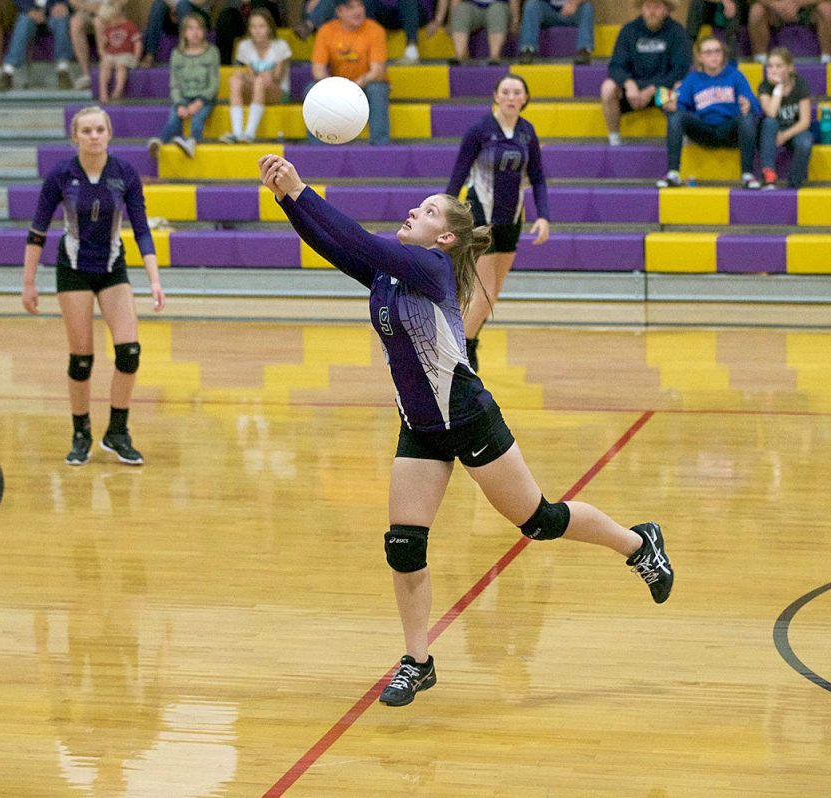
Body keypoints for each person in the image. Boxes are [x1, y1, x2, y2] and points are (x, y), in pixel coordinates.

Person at [258, 152, 674, 708]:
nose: (413, 210)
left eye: (427, 211)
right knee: (404, 545)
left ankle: (637, 542)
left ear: (445, 239)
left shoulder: (428, 271)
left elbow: (357, 238)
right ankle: (417, 661)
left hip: (469, 416)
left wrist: (303, 188)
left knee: (540, 521)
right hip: (420, 425)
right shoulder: (387, 272)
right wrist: (288, 198)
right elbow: (338, 246)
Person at [23, 106, 165, 465]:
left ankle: (117, 432)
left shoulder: (125, 174)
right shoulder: (61, 175)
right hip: (73, 269)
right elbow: (37, 232)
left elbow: (143, 230)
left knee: (129, 352)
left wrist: (154, 279)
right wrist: (28, 285)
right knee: (82, 359)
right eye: (86, 130)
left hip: (111, 267)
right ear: (75, 137)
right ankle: (81, 431)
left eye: (99, 129)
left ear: (109, 133)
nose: (94, 136)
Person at [445, 74, 549, 372]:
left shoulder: (527, 132)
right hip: (481, 219)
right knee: (485, 292)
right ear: (496, 96)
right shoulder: (479, 131)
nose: (511, 96)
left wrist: (543, 216)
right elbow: (458, 176)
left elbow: (539, 178)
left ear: (525, 98)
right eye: (505, 91)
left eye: (517, 91)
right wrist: (445, 216)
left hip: (511, 220)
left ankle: (470, 342)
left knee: (493, 294)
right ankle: (458, 352)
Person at [657, 36, 760, 188]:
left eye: (717, 51)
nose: (714, 56)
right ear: (700, 57)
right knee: (676, 117)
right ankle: (673, 174)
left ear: (723, 55)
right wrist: (667, 103)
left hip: (729, 130)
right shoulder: (693, 79)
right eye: (708, 52)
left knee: (747, 118)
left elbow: (755, 106)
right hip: (703, 130)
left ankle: (748, 175)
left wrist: (748, 105)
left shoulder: (735, 76)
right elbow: (663, 97)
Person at [601, 0, 691, 147]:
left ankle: (680, 139)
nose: (652, 11)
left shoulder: (677, 32)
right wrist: (629, 84)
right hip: (633, 94)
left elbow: (680, 70)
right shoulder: (628, 31)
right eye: (648, 7)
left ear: (666, 10)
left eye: (657, 7)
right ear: (642, 9)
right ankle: (614, 139)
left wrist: (652, 89)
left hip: (661, 92)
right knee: (607, 87)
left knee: (680, 86)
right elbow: (615, 66)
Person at [310, 0, 390, 146]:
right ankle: (318, 148)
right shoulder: (326, 30)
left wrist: (353, 86)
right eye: (351, 8)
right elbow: (318, 71)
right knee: (311, 90)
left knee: (377, 89)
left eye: (360, 6)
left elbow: (377, 71)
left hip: (364, 86)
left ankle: (380, 146)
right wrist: (336, 87)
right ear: (339, 12)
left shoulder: (375, 30)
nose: (358, 11)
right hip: (337, 88)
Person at [146, 12, 218, 158]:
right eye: (190, 28)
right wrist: (179, 104)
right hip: (184, 96)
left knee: (197, 119)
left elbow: (213, 83)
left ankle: (191, 142)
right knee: (174, 118)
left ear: (204, 31)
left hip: (204, 98)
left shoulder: (212, 52)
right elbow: (175, 84)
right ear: (184, 32)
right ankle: (159, 143)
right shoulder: (177, 54)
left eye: (199, 28)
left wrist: (199, 102)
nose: (195, 33)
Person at [220, 8, 290, 143]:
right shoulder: (244, 46)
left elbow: (277, 78)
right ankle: (237, 133)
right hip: (257, 88)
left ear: (269, 28)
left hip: (277, 91)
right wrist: (243, 77)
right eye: (253, 26)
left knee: (260, 81)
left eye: (262, 26)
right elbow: (250, 75)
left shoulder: (280, 46)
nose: (257, 30)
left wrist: (263, 77)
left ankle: (250, 133)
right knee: (235, 80)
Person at [297, 0, 424, 63]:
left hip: (411, 11)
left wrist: (438, 20)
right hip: (382, 11)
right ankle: (309, 24)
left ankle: (411, 47)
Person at [756, 46, 813, 188]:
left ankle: (794, 183)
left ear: (790, 68)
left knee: (805, 141)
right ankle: (769, 174)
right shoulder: (764, 86)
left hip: (794, 129)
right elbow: (771, 113)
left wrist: (785, 135)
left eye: (779, 66)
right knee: (769, 122)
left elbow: (805, 121)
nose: (773, 70)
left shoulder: (800, 84)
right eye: (770, 66)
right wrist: (778, 89)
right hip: (771, 131)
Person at [0, 0, 75, 90]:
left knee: (61, 20)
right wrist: (29, 10)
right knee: (23, 22)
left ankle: (63, 69)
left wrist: (62, 4)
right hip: (30, 12)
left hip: (53, 11)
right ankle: (8, 71)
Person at [427, 0, 521, 64]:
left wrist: (515, 21)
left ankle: (494, 56)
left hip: (499, 6)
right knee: (461, 10)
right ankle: (459, 54)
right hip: (472, 7)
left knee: (497, 11)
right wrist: (443, 20)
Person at [747, 0, 831, 65]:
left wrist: (796, 3)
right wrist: (776, 4)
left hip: (809, 8)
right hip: (775, 9)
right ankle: (760, 61)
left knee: (827, 9)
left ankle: (827, 60)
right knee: (757, 10)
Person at [138, 0, 216, 68]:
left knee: (183, 5)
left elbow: (201, 2)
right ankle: (150, 54)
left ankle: (186, 54)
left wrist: (180, 5)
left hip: (197, 14)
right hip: (173, 12)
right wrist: (174, 8)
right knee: (158, 3)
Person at [517, 0, 594, 65]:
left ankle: (584, 50)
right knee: (531, 5)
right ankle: (527, 49)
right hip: (548, 10)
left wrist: (574, 3)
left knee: (587, 8)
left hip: (572, 11)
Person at [97, 0, 141, 100]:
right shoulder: (109, 28)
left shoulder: (130, 26)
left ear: (118, 16)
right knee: (105, 67)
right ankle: (103, 91)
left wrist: (136, 57)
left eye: (111, 21)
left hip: (125, 54)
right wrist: (102, 52)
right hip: (112, 54)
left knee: (121, 67)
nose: (109, 24)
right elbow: (103, 43)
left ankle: (118, 90)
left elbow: (137, 43)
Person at [215, 0, 282, 65]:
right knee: (226, 17)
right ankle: (225, 67)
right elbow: (229, 5)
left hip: (266, 11)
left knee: (257, 4)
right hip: (240, 18)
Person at [69, 0, 107, 90]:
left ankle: (105, 72)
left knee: (99, 23)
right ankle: (87, 75)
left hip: (109, 9)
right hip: (85, 9)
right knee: (75, 24)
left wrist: (103, 9)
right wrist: (88, 7)